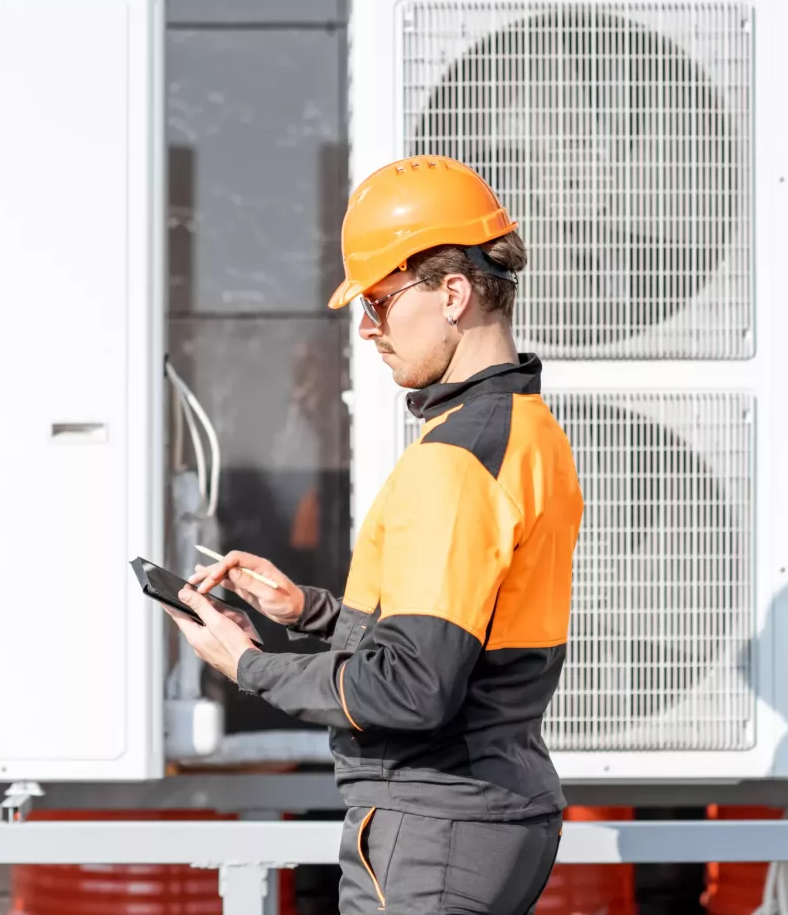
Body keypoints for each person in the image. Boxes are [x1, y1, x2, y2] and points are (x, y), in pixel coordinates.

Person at [161, 154, 585, 914]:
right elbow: (469, 633)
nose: (366, 327)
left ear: (452, 293)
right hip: (483, 808)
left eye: (381, 301)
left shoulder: (455, 458)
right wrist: (312, 613)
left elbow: (412, 688)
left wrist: (248, 662)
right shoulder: (526, 430)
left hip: (436, 827)